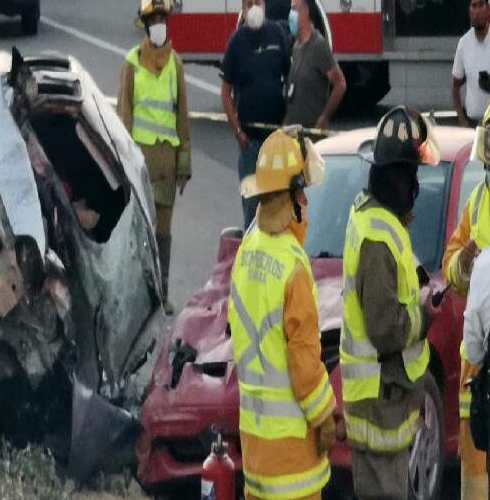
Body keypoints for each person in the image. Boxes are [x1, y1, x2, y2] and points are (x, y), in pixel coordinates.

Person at [228, 128, 337, 500]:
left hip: (256, 452)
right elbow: (303, 361)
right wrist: (324, 416)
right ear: (289, 198)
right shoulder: (293, 264)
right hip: (294, 464)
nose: (306, 200)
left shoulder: (246, 250)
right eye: (302, 191)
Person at [340, 107, 441, 500]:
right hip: (381, 400)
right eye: (413, 175)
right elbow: (386, 329)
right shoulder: (378, 236)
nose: (417, 185)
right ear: (399, 177)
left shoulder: (372, 214)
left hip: (383, 400)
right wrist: (425, 317)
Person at [117, 0, 191, 315]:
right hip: (141, 160)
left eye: (163, 18)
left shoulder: (176, 64)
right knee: (140, 228)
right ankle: (138, 296)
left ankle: (161, 294)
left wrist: (184, 162)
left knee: (163, 230)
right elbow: (124, 115)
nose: (160, 24)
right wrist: (123, 161)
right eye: (155, 19)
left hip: (166, 161)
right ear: (146, 26)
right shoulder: (132, 63)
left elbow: (182, 117)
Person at [442, 104, 490, 499]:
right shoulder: (477, 202)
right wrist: (464, 262)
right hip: (477, 370)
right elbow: (452, 270)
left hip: (479, 360)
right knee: (475, 477)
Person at [221, 0, 291, 229]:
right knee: (252, 213)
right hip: (250, 144)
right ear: (242, 7)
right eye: (249, 3)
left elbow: (290, 79)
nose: (254, 7)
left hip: (276, 142)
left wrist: (285, 122)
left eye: (257, 2)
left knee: (279, 207)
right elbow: (226, 91)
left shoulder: (277, 35)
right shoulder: (236, 43)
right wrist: (238, 131)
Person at [284, 0, 346, 131]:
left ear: (305, 12)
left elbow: (340, 84)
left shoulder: (318, 45)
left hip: (313, 134)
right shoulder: (296, 46)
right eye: (291, 9)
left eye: (295, 9)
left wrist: (324, 118)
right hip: (295, 133)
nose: (291, 14)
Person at [452, 0, 490, 128]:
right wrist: (462, 120)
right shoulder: (464, 43)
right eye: (474, 6)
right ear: (469, 10)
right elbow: (455, 86)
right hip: (472, 124)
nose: (477, 11)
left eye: (481, 5)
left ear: (488, 9)